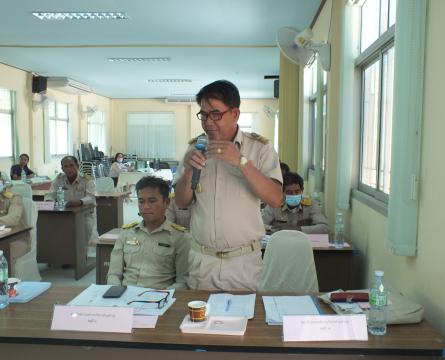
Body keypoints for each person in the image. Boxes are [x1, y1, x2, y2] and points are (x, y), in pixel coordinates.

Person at [174, 80, 283, 291]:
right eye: (203, 115)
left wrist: (241, 162)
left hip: (243, 264)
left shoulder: (260, 149)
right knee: (199, 322)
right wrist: (189, 169)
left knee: (245, 322)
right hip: (202, 262)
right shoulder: (195, 147)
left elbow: (276, 199)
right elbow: (180, 201)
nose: (208, 122)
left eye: (215, 114)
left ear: (235, 114)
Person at [107, 176, 190, 289]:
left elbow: (182, 281)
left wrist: (161, 297)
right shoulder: (126, 234)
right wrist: (116, 293)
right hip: (125, 296)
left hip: (159, 299)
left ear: (166, 203)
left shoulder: (180, 238)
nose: (145, 207)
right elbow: (113, 274)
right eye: (141, 201)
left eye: (152, 201)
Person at [44, 156, 97, 241]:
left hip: (84, 215)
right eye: (66, 166)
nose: (69, 169)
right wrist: (50, 202)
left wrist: (80, 202)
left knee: (86, 229)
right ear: (62, 169)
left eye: (72, 165)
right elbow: (50, 195)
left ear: (77, 166)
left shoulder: (86, 179)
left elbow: (91, 197)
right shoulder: (59, 180)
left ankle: (84, 252)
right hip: (64, 214)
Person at [262, 172, 329, 234]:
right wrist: (277, 229)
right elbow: (260, 225)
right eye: (289, 192)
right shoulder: (274, 205)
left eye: (297, 192)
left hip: (303, 242)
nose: (294, 195)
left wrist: (298, 229)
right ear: (282, 192)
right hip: (280, 241)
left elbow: (324, 228)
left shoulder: (312, 205)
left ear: (302, 190)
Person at [0, 180, 30, 275]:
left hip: (16, 240)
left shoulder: (14, 197)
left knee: (4, 256)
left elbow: (13, 219)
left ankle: (7, 287)